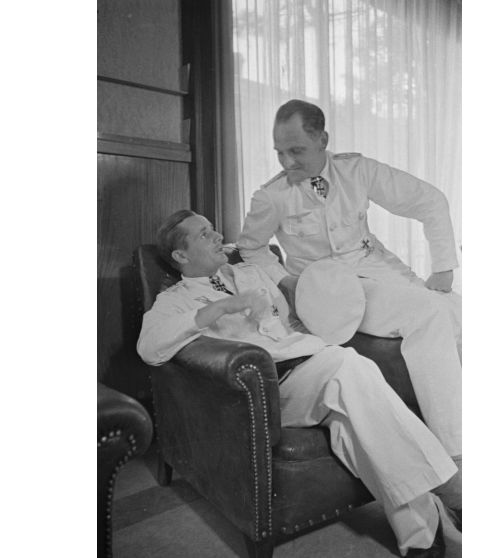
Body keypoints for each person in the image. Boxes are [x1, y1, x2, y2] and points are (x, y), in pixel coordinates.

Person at [138, 209, 461, 558]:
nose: (217, 236)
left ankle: (421, 538)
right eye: (204, 234)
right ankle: (450, 487)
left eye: (214, 229)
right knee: (347, 365)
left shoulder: (251, 272)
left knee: (352, 422)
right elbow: (149, 348)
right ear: (181, 256)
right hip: (269, 392)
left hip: (311, 369)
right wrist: (220, 308)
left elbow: (296, 315)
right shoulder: (174, 300)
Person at [237, 99, 462, 463]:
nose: (287, 162)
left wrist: (443, 267)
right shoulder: (272, 196)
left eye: (297, 150)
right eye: (280, 152)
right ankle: (456, 456)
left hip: (378, 270)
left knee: (459, 311)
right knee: (428, 313)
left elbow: (430, 201)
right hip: (328, 294)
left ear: (323, 139)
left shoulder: (356, 170)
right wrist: (288, 283)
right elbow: (251, 248)